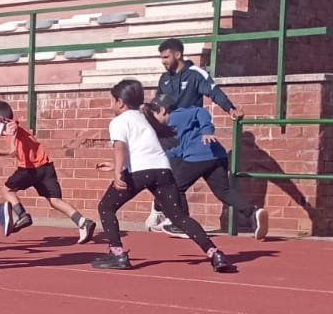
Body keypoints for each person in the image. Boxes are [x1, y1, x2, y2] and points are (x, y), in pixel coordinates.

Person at [92, 80, 235, 272]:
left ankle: (117, 255)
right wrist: (116, 166)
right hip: (162, 170)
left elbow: (120, 147)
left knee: (106, 207)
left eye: (112, 101)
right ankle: (214, 253)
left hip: (140, 172)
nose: (111, 105)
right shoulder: (144, 118)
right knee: (178, 216)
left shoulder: (118, 121)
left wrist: (118, 172)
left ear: (120, 102)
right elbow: (143, 149)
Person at [0, 100, 97, 244]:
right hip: (45, 167)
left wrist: (11, 148)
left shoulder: (10, 124)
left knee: (6, 190)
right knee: (55, 200)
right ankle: (83, 222)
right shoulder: (17, 128)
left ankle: (22, 215)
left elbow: (12, 130)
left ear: (0, 119)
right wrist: (4, 152)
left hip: (29, 169)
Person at [153, 103, 269, 239]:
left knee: (176, 187)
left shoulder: (175, 116)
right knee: (224, 191)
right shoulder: (180, 126)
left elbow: (201, 111)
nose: (153, 122)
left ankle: (183, 224)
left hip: (199, 156)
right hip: (216, 155)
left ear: (162, 110)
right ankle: (253, 212)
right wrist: (163, 154)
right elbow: (185, 146)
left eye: (153, 117)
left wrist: (207, 130)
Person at [157, 38, 240, 117]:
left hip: (191, 129)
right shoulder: (164, 78)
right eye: (161, 58)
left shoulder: (195, 74)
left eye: (166, 57)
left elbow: (214, 92)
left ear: (178, 55)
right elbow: (159, 102)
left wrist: (230, 109)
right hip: (169, 128)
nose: (163, 62)